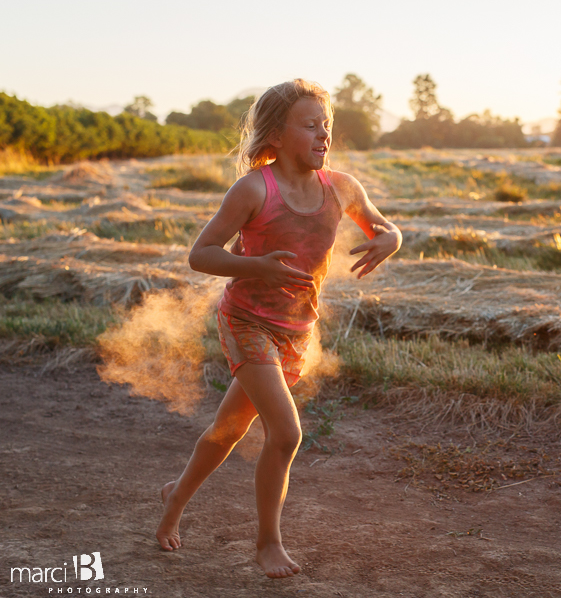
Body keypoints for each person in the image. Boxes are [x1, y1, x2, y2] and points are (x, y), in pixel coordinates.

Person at [155, 79, 401, 578]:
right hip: (246, 321)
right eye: (309, 125)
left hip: (296, 331)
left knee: (228, 429)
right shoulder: (253, 189)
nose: (323, 135)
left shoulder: (342, 188)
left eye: (326, 126)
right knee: (285, 434)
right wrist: (259, 267)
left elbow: (385, 226)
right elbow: (201, 255)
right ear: (276, 133)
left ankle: (175, 495)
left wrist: (390, 240)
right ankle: (268, 543)